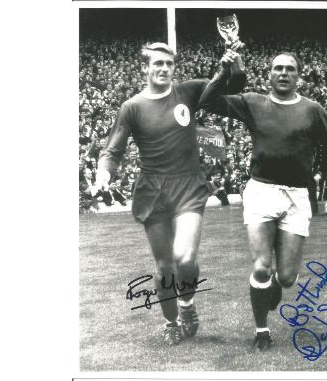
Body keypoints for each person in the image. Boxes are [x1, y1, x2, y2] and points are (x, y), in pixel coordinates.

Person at [95, 42, 245, 346]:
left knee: (185, 257)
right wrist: (103, 173)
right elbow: (113, 149)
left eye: (168, 64)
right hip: (153, 191)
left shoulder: (188, 92)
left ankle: (187, 305)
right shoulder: (132, 107)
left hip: (188, 186)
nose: (164, 69)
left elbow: (231, 86)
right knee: (164, 266)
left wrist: (232, 63)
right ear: (145, 68)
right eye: (157, 63)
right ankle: (171, 321)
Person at [200, 51, 327, 351]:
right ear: (269, 74)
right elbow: (208, 101)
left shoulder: (313, 110)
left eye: (289, 69)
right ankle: (261, 330)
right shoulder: (253, 102)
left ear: (298, 76)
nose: (283, 73)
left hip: (297, 195)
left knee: (289, 277)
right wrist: (224, 71)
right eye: (277, 68)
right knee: (262, 266)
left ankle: (275, 286)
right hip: (261, 191)